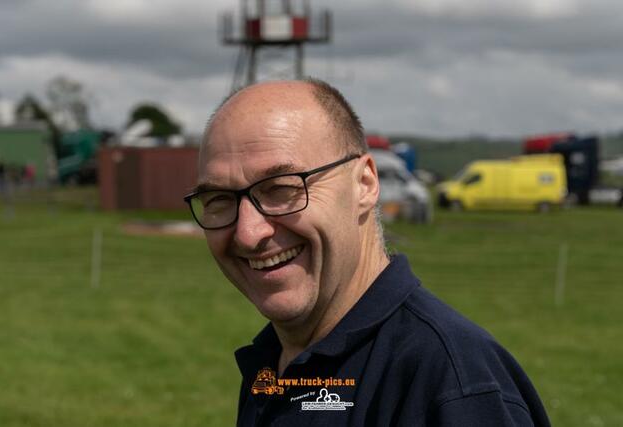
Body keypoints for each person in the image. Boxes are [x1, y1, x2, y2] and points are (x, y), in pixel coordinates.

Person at [185, 78, 550, 426]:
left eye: (281, 188)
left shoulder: (453, 388)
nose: (248, 234)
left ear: (365, 184)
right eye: (219, 199)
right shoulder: (274, 365)